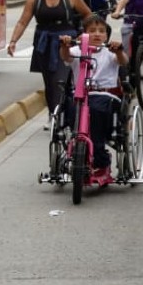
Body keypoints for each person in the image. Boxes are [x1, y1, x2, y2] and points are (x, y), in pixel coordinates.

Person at [7, 0, 92, 122]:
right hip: (44, 44)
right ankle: (54, 114)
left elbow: (88, 15)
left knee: (60, 79)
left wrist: (84, 35)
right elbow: (22, 22)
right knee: (49, 82)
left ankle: (64, 115)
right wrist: (13, 41)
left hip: (66, 42)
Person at [58, 14, 128, 183]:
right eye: (92, 31)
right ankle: (76, 151)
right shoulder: (78, 51)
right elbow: (66, 57)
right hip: (82, 95)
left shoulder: (109, 52)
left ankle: (101, 162)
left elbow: (123, 61)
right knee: (71, 109)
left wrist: (119, 50)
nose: (97, 34)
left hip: (105, 95)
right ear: (84, 34)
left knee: (95, 113)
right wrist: (65, 45)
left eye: (101, 31)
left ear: (107, 35)